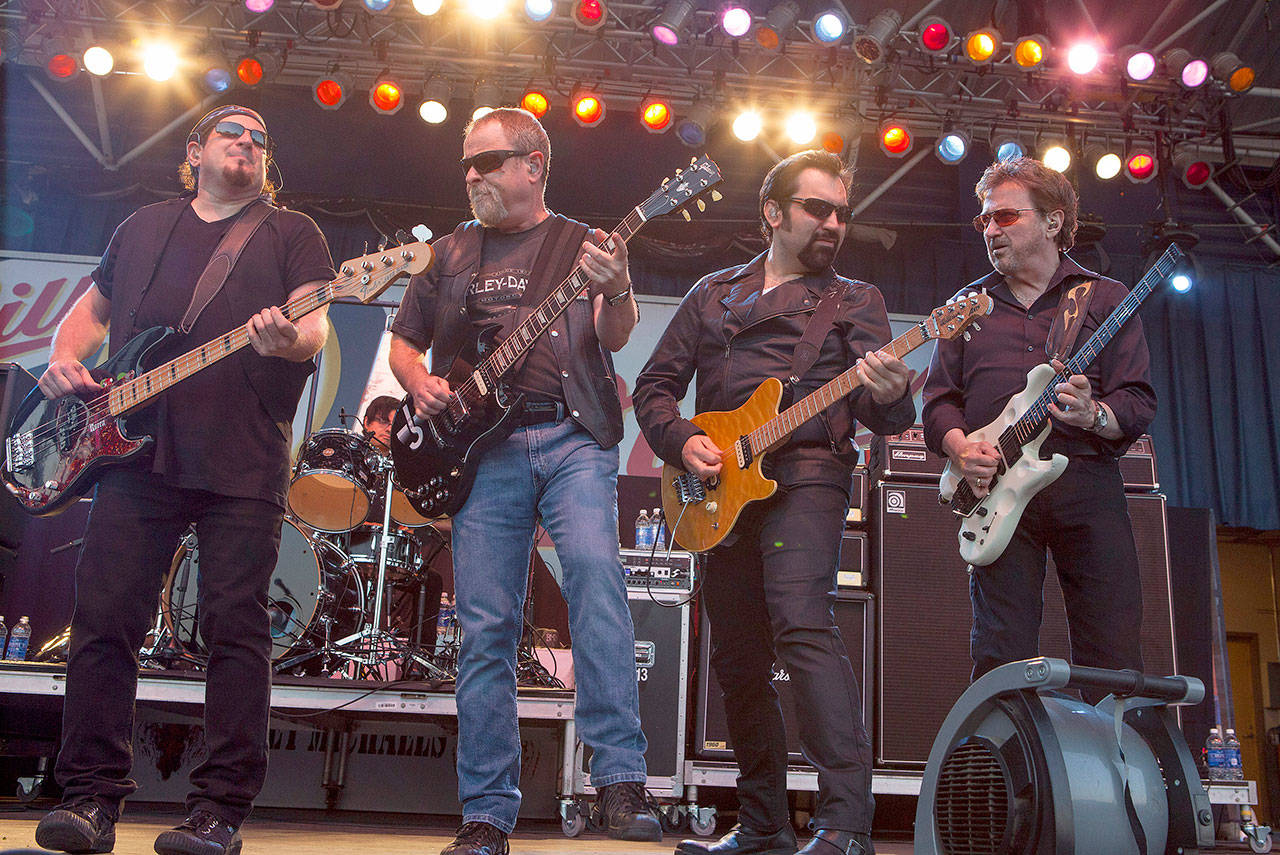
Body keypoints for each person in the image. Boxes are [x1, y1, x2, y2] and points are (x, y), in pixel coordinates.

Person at [33, 105, 335, 855]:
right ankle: (91, 800)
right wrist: (66, 359)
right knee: (104, 622)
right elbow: (90, 314)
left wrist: (288, 338)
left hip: (241, 457)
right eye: (233, 133)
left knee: (236, 630)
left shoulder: (292, 233)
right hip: (130, 452)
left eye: (262, 138)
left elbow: (315, 329)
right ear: (195, 149)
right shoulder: (139, 228)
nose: (249, 144)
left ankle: (218, 812)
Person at [389, 107, 658, 855]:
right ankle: (485, 815)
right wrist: (419, 384)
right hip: (481, 449)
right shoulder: (450, 252)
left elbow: (614, 333)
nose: (471, 174)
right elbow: (404, 343)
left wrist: (623, 282)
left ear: (533, 164)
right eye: (466, 164)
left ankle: (620, 777)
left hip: (572, 435)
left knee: (596, 575)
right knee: (486, 627)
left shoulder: (582, 245)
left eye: (488, 160)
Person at [634, 150, 914, 855]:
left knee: (801, 622)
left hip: (810, 475)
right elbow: (653, 387)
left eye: (842, 213)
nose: (833, 223)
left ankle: (846, 822)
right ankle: (762, 824)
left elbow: (887, 416)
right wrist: (684, 440)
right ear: (773, 212)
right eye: (818, 209)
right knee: (735, 655)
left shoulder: (856, 300)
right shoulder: (712, 294)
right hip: (719, 487)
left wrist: (890, 392)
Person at [922, 156, 1156, 688]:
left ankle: (1110, 767)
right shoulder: (968, 306)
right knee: (999, 653)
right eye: (984, 220)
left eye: (1005, 217)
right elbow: (938, 402)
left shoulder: (1104, 298)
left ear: (1053, 221)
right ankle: (1003, 769)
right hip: (996, 490)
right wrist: (959, 449)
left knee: (1112, 649)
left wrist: (1094, 414)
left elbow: (1139, 402)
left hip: (1087, 484)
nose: (990, 230)